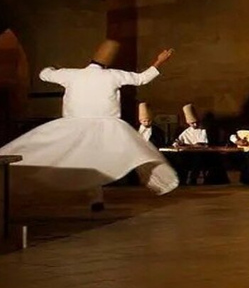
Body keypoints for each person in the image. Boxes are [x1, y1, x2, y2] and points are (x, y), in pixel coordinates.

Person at [0, 40, 178, 211]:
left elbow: (43, 74)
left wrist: (51, 67)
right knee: (127, 154)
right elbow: (142, 79)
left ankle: (95, 197)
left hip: (77, 126)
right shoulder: (112, 75)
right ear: (108, 63)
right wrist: (159, 61)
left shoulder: (72, 74)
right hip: (105, 127)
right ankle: (149, 183)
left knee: (46, 151)